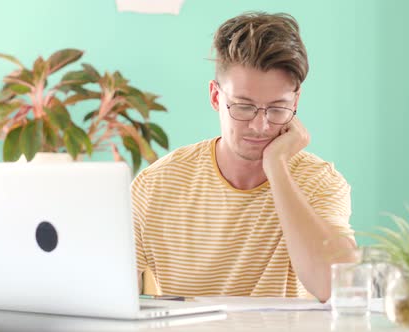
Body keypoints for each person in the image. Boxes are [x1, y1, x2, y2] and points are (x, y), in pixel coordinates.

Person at [131, 12, 356, 302]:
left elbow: (335, 286)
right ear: (215, 97)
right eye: (244, 107)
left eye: (277, 109)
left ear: (296, 101)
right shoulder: (156, 185)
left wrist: (276, 167)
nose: (260, 126)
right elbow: (103, 292)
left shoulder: (319, 182)